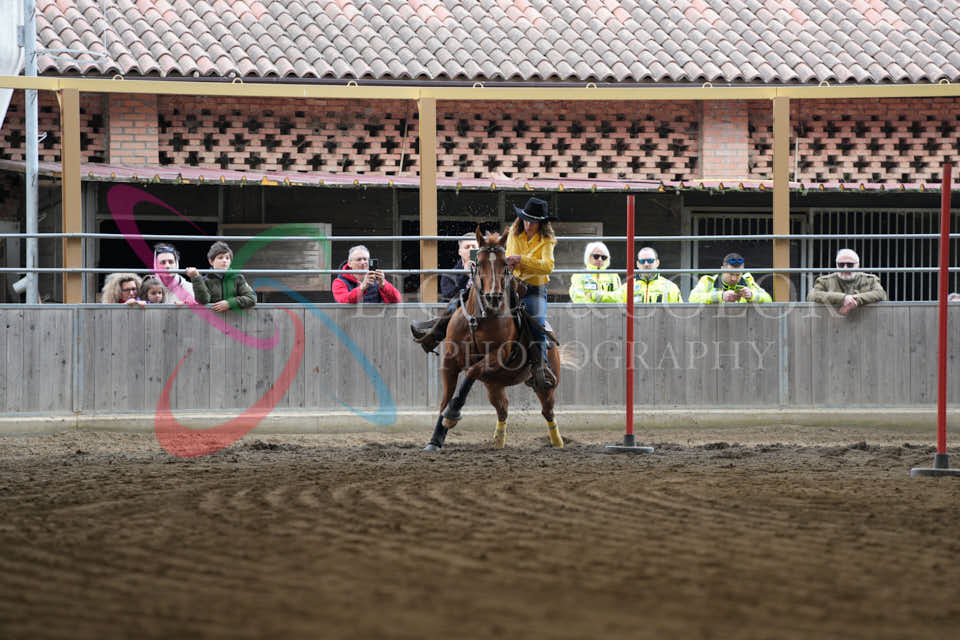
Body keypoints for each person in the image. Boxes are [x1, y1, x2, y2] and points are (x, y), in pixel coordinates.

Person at [506, 197, 558, 390]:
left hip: (534, 290)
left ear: (541, 223)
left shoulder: (547, 240)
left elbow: (548, 267)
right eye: (526, 219)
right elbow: (510, 258)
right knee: (483, 304)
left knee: (537, 322)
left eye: (533, 221)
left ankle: (541, 367)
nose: (528, 224)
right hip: (511, 286)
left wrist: (521, 260)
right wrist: (515, 262)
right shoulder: (514, 232)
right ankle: (440, 329)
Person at [808, 248, 886, 315]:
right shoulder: (824, 281)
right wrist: (843, 298)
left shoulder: (870, 280)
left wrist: (857, 300)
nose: (845, 268)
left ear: (858, 266)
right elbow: (812, 295)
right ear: (836, 265)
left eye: (850, 265)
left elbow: (881, 294)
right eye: (841, 265)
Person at [185, 241, 256, 312]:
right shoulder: (205, 280)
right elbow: (203, 301)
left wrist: (230, 303)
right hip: (212, 318)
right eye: (220, 257)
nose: (224, 260)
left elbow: (252, 298)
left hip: (235, 318)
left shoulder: (238, 278)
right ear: (211, 261)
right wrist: (196, 278)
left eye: (227, 258)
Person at [688, 253, 772, 304]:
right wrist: (720, 296)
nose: (734, 278)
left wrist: (752, 295)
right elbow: (692, 299)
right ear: (722, 269)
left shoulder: (748, 281)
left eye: (738, 274)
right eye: (731, 274)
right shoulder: (708, 281)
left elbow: (768, 299)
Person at [332, 245, 402, 304]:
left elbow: (397, 300)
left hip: (373, 315)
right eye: (359, 259)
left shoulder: (376, 279)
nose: (363, 262)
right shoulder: (339, 281)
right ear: (349, 263)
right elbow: (344, 302)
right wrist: (362, 288)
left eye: (365, 259)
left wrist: (384, 285)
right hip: (349, 316)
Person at [615, 246, 682, 303]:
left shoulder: (671, 287)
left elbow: (679, 312)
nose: (646, 264)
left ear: (657, 263)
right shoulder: (627, 287)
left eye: (650, 261)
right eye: (642, 261)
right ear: (638, 264)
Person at [440, 233, 480, 302]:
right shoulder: (448, 275)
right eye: (467, 247)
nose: (471, 250)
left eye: (474, 247)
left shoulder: (488, 273)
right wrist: (464, 275)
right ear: (460, 252)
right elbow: (448, 296)